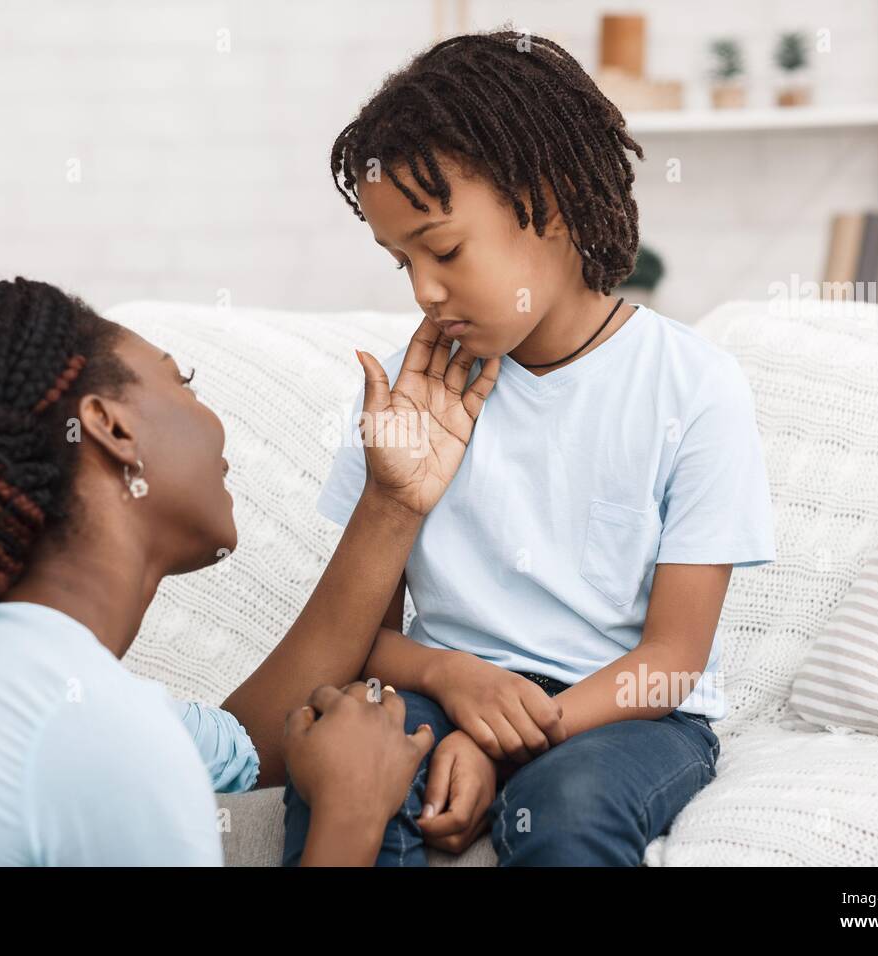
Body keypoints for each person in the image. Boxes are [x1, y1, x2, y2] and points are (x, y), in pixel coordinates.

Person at [282, 30, 777, 866]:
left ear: (551, 199)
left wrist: (504, 740)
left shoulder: (692, 386)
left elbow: (673, 658)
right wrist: (452, 685)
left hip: (630, 717)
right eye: (399, 262)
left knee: (570, 804)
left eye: (442, 249)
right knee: (342, 759)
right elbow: (365, 635)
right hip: (447, 692)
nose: (424, 291)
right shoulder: (420, 392)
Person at [0, 276, 499, 866]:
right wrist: (350, 815)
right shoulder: (101, 733)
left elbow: (250, 743)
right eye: (183, 382)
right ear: (112, 429)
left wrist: (393, 500)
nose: (212, 418)